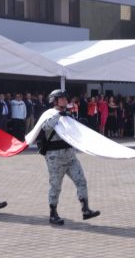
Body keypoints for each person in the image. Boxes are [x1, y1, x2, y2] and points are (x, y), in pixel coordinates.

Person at [39, 90, 100, 226]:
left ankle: (85, 209)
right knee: (56, 186)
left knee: (81, 181)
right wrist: (58, 115)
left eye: (65, 98)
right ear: (54, 101)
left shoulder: (67, 115)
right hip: (55, 158)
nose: (65, 100)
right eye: (62, 99)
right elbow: (45, 127)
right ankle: (53, 214)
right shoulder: (49, 114)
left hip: (70, 157)